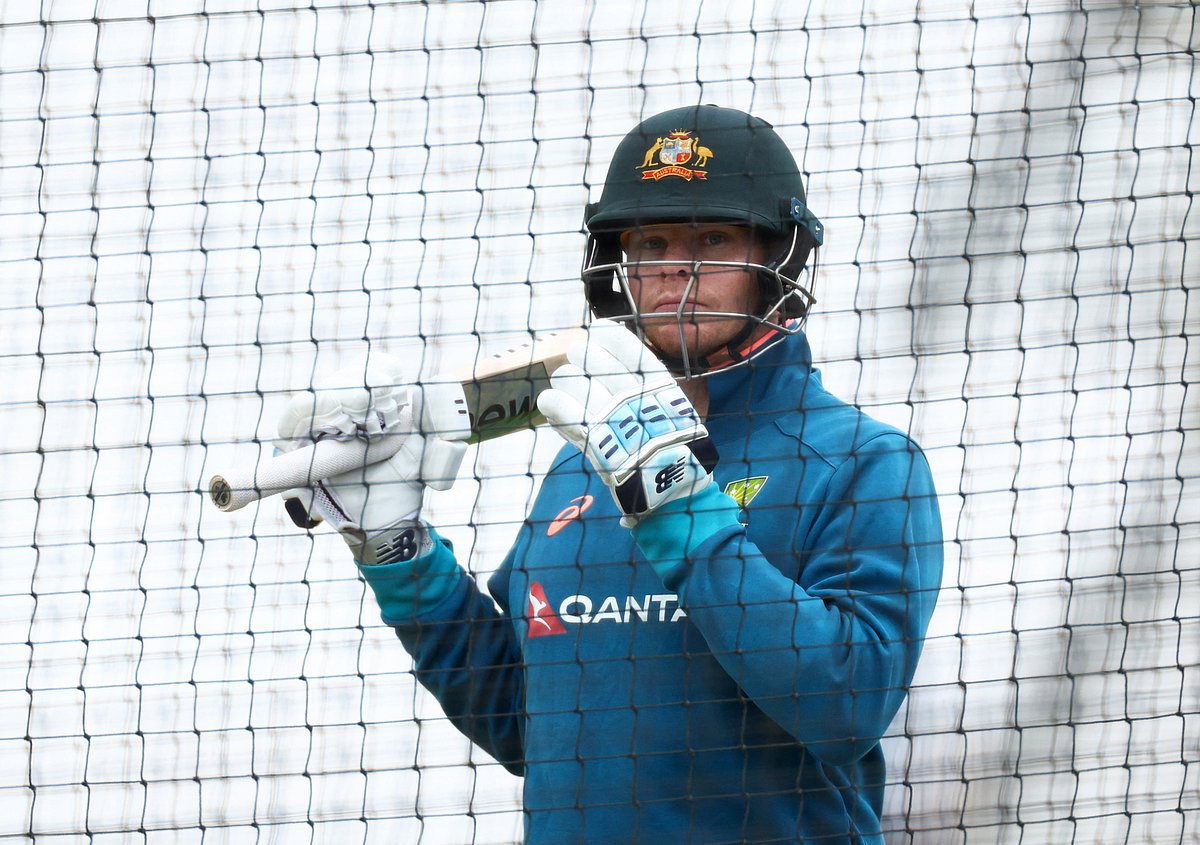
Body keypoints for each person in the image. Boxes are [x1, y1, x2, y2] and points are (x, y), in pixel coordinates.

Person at [274, 105, 943, 844]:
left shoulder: (862, 462)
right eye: (651, 240)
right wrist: (398, 553)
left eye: (712, 237)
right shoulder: (577, 469)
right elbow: (524, 722)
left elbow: (847, 702)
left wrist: (679, 508)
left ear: (779, 257)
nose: (674, 269)